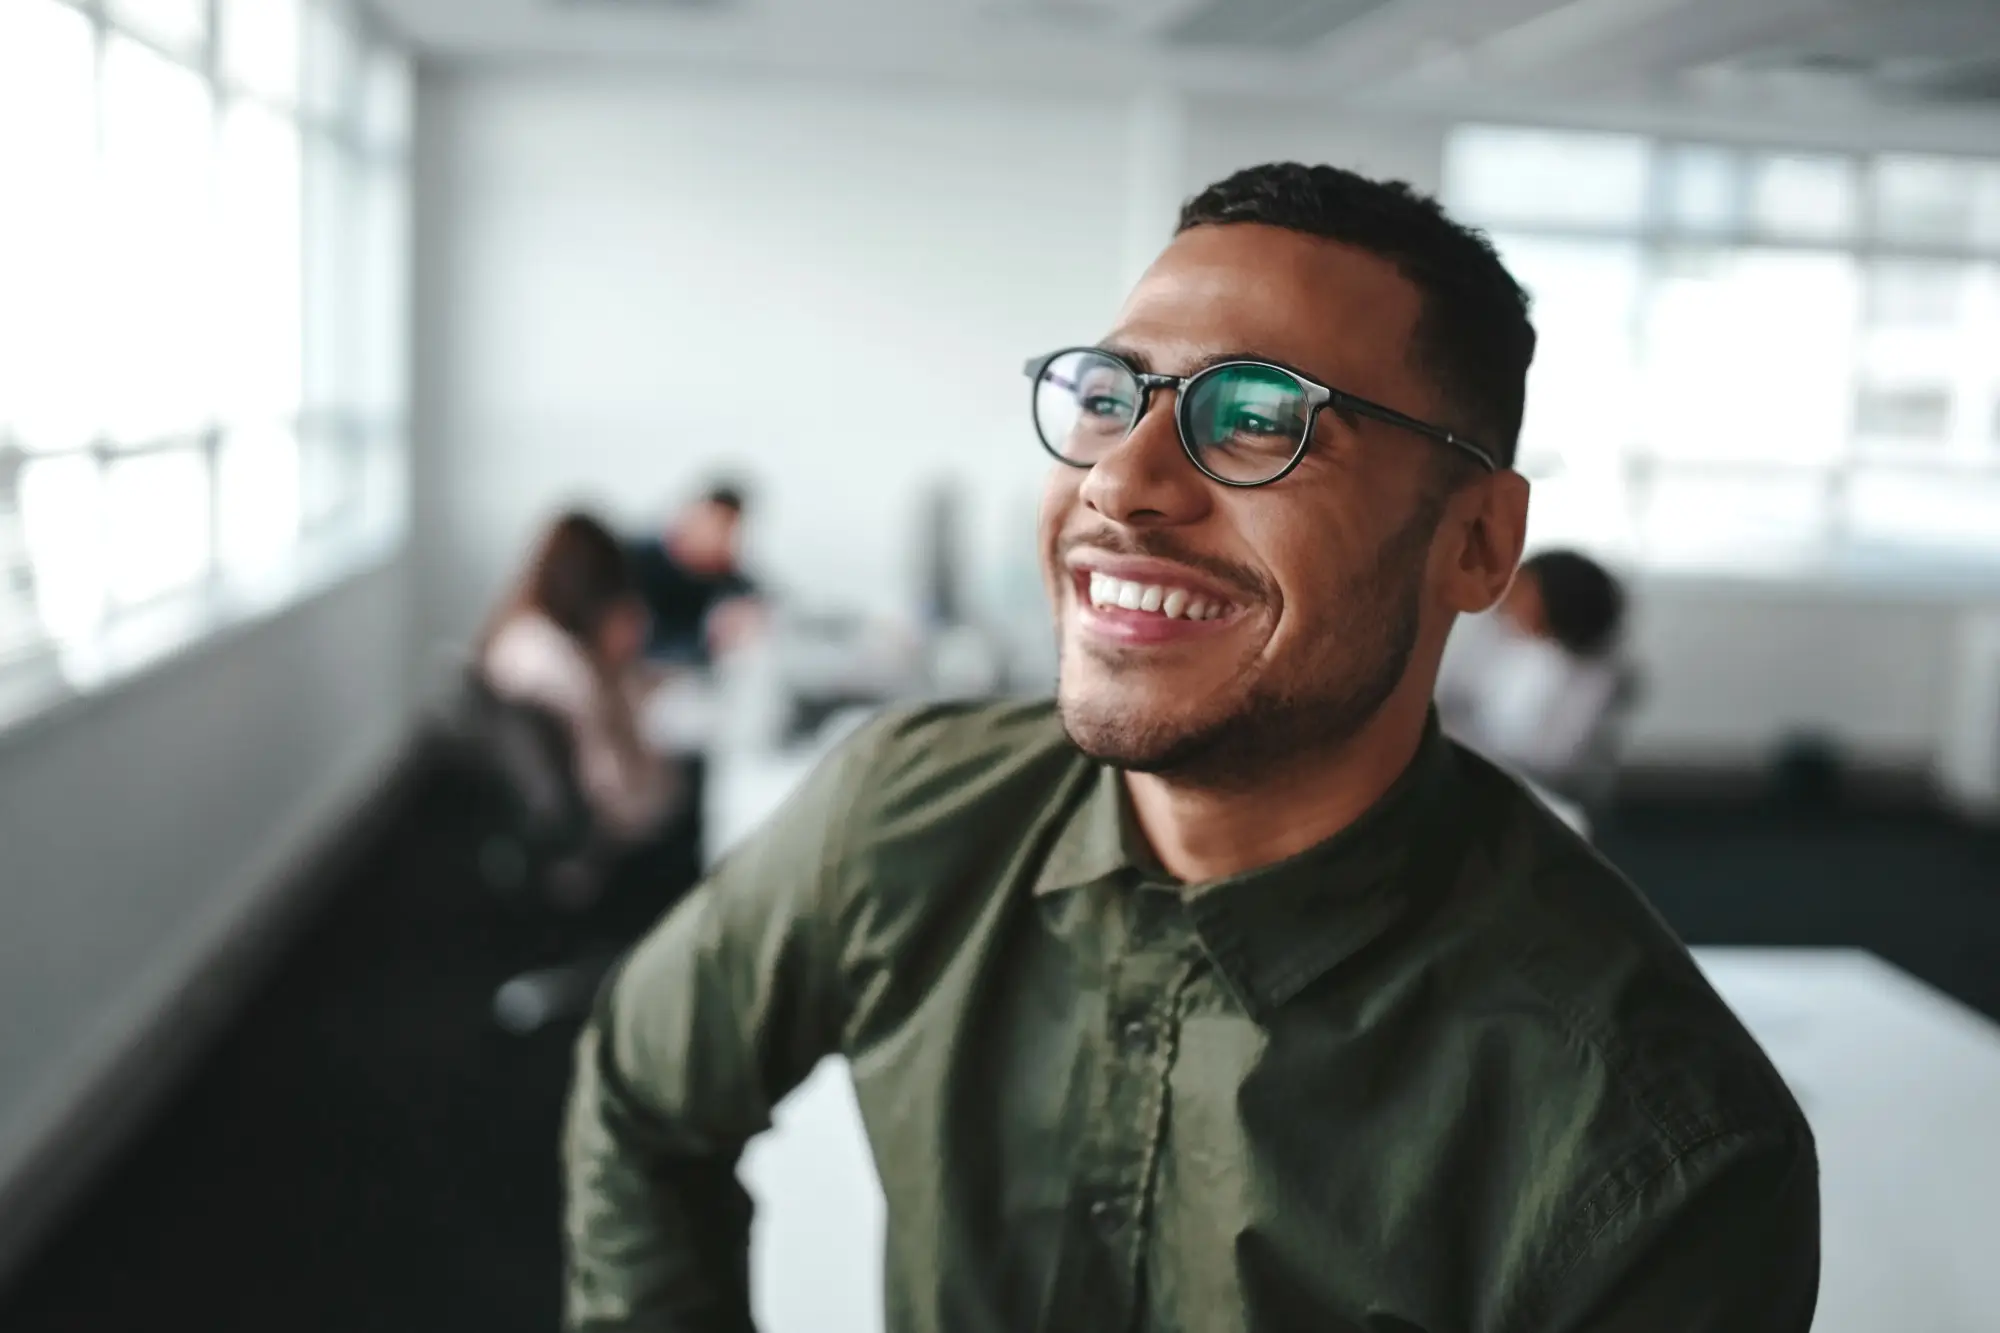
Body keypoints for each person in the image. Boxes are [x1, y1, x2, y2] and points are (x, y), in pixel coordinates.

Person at [562, 164, 1818, 1331]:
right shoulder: (903, 810)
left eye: (1262, 416)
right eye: (1110, 396)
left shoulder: (1652, 1149)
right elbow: (640, 1095)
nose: (1119, 479)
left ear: (1479, 542)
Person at [480, 511, 679, 845]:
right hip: (603, 842)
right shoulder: (560, 666)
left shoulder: (522, 633)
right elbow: (621, 800)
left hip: (546, 825)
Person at [1436, 548, 1632, 790]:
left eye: (1520, 591)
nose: (1505, 598)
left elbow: (1549, 758)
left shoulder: (1590, 676)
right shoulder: (1493, 633)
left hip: (1533, 789)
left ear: (1558, 599)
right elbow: (1452, 691)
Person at [628, 483, 764, 666]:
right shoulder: (636, 559)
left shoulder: (734, 588)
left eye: (727, 531)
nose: (716, 538)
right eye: (714, 524)